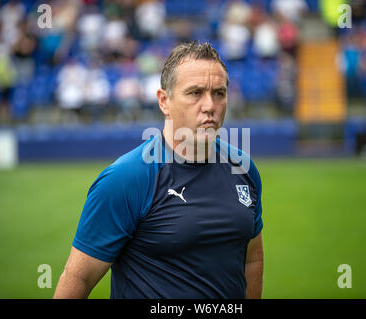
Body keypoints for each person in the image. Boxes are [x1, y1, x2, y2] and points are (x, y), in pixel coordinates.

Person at [53, 41, 264, 299]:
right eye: (195, 93)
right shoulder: (126, 179)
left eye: (219, 93)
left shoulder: (243, 169)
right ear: (164, 101)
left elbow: (252, 259)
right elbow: (78, 279)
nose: (210, 105)